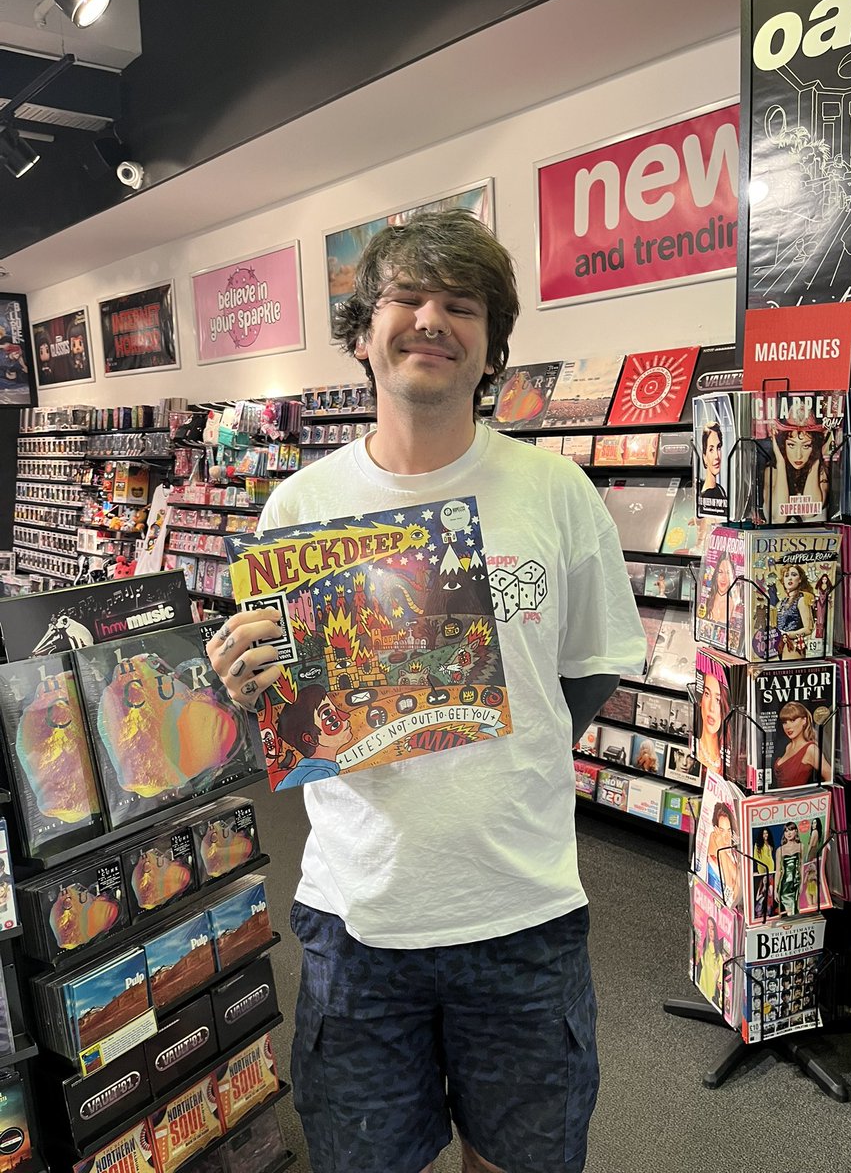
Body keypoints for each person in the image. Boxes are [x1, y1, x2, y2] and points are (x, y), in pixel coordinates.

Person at [206, 210, 646, 1173]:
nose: (430, 320)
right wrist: (250, 692)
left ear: (492, 344)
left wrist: (496, 745)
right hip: (360, 918)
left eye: (462, 305)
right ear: (363, 332)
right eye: (405, 299)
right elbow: (286, 716)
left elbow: (593, 668)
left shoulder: (555, 493)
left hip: (523, 912)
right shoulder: (300, 509)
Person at [767, 409, 829, 523]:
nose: (798, 455)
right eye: (791, 445)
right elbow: (779, 517)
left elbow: (809, 511)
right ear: (782, 444)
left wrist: (815, 460)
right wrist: (780, 462)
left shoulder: (821, 472)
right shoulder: (772, 471)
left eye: (806, 446)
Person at [773, 702, 832, 789]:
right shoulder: (788, 746)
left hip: (797, 800)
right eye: (785, 722)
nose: (788, 726)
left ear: (804, 720)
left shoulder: (810, 749)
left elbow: (830, 777)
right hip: (780, 800)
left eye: (793, 720)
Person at [774, 563, 814, 659]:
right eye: (786, 576)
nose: (790, 578)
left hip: (793, 645)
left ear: (800, 579)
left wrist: (788, 635)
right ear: (783, 581)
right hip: (780, 645)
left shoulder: (802, 599)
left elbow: (808, 629)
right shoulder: (782, 602)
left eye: (794, 575)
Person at [695, 669, 729, 777]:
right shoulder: (695, 752)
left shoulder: (733, 757)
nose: (711, 708)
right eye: (707, 694)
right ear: (700, 700)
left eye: (718, 700)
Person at [705, 801, 739, 906]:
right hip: (718, 896)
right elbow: (730, 885)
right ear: (716, 829)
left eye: (729, 831)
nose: (726, 836)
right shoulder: (714, 837)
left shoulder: (732, 848)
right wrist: (721, 847)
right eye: (722, 830)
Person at [775, 821, 804, 917]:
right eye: (786, 831)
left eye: (791, 830)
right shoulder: (780, 850)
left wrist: (802, 884)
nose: (789, 833)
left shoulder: (801, 846)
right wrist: (776, 889)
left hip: (796, 884)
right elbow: (778, 871)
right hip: (784, 887)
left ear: (796, 831)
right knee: (787, 915)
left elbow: (802, 866)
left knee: (795, 912)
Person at [696, 914, 723, 1009]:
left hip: (712, 982)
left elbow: (721, 964)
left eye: (712, 929)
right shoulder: (704, 945)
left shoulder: (718, 950)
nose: (711, 932)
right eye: (708, 928)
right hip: (704, 978)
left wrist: (718, 979)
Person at [697, 421, 727, 507]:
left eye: (718, 448)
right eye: (711, 449)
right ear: (704, 457)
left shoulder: (720, 489)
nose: (717, 456)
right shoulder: (706, 497)